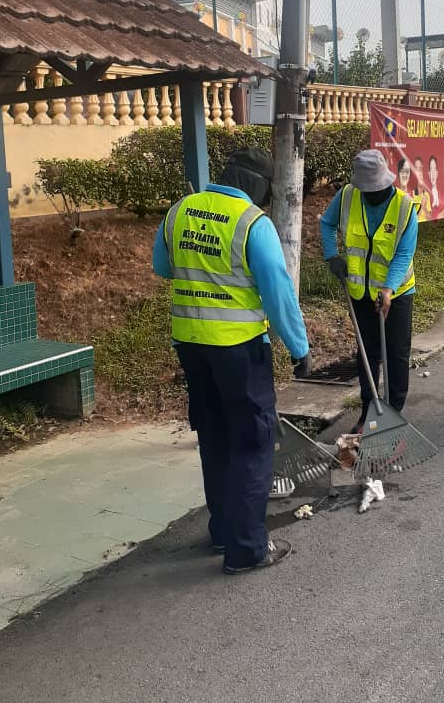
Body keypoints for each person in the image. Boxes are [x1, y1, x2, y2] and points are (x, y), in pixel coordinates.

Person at [152, 148, 311, 575]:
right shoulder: (252, 225)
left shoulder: (179, 212)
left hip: (190, 345)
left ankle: (223, 530)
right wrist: (300, 349)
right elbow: (278, 294)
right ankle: (246, 549)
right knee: (251, 442)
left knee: (215, 435)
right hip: (238, 349)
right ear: (259, 187)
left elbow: (161, 266)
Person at [320, 150, 419, 433]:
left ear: (387, 182)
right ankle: (368, 411)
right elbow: (326, 223)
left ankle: (393, 412)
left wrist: (388, 289)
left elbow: (404, 253)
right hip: (359, 292)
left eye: (377, 189)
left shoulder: (403, 206)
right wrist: (331, 255)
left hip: (397, 293)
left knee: (396, 353)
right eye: (367, 190)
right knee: (366, 353)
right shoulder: (348, 196)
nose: (372, 194)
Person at [412, 156, 432, 221]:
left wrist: (425, 208)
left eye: (420, 170)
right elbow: (411, 221)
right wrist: (422, 206)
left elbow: (430, 218)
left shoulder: (426, 195)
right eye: (417, 170)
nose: (419, 173)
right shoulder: (410, 194)